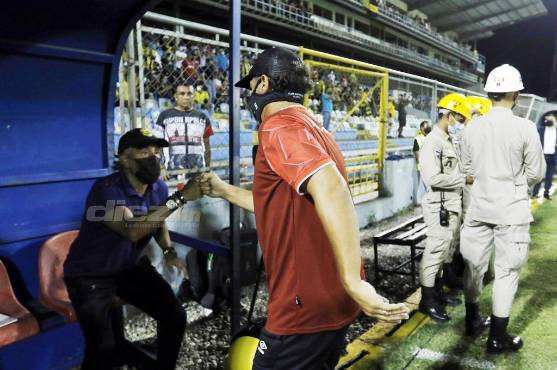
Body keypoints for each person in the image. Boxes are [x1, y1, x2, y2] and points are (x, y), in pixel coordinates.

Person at [199, 47, 409, 368]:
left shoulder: (277, 126)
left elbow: (331, 187)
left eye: (251, 85)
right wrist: (222, 190)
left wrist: (354, 279)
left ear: (263, 84)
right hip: (331, 299)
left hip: (303, 306)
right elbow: (278, 206)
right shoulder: (315, 128)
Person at [63, 128, 203, 370]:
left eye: (156, 150)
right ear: (125, 159)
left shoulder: (157, 188)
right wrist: (180, 198)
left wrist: (168, 251)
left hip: (129, 269)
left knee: (175, 316)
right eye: (144, 151)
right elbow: (133, 230)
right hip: (90, 275)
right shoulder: (106, 189)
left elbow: (156, 220)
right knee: (102, 351)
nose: (153, 156)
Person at [460, 64, 545, 352]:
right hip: (511, 208)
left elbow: (467, 170)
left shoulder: (472, 127)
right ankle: (497, 337)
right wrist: (517, 181)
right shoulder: (525, 127)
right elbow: (537, 172)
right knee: (506, 272)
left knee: (474, 268)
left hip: (478, 206)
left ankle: (471, 321)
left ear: (489, 92)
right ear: (515, 93)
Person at [418, 93, 473, 322]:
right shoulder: (434, 142)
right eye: (459, 119)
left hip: (450, 204)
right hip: (439, 205)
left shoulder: (447, 140)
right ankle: (427, 300)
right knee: (434, 253)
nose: (460, 124)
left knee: (444, 252)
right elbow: (432, 178)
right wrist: (463, 179)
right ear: (448, 115)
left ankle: (437, 291)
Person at [156, 83, 213, 174]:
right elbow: (157, 144)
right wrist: (161, 167)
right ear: (175, 96)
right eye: (182, 94)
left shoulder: (203, 117)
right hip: (171, 170)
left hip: (197, 170)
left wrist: (207, 168)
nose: (186, 97)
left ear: (193, 96)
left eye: (189, 94)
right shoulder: (164, 116)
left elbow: (207, 146)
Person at [532, 112, 557, 199]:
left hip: (552, 157)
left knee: (549, 177)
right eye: (547, 119)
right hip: (542, 156)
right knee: (539, 176)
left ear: (554, 119)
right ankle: (534, 193)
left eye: (550, 118)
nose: (548, 120)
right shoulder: (540, 130)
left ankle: (546, 193)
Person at [413, 120, 431, 203]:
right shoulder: (417, 139)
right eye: (425, 126)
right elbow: (417, 153)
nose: (427, 128)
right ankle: (419, 201)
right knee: (422, 184)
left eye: (428, 126)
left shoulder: (431, 137)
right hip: (422, 166)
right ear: (421, 128)